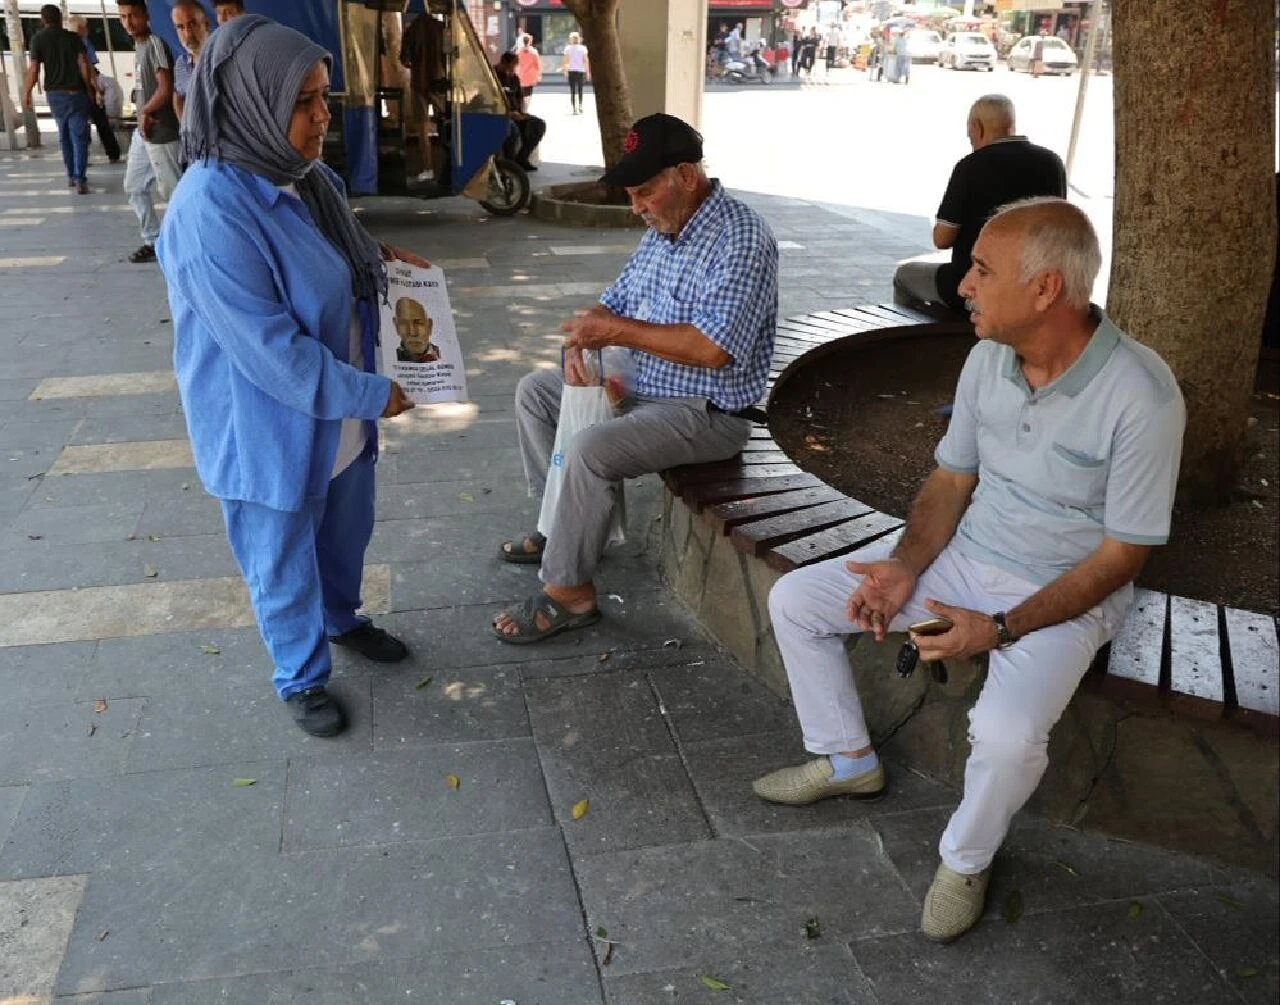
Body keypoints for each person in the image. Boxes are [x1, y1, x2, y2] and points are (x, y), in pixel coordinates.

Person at [754, 197, 1186, 944]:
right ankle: (848, 758)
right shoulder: (988, 357)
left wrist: (1002, 627)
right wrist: (901, 567)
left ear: (1046, 287)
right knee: (797, 599)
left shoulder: (1142, 395)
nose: (964, 285)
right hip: (965, 560)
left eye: (983, 270)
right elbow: (951, 480)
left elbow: (1123, 556)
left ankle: (965, 858)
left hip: (1070, 591)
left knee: (1009, 731)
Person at [156, 15, 427, 737]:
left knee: (345, 530)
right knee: (280, 555)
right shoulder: (209, 212)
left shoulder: (306, 179)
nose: (320, 119)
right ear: (250, 101)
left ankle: (342, 618)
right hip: (268, 422)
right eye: (303, 102)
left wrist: (387, 259)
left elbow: (339, 255)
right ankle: (300, 676)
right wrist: (375, 393)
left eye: (324, 98)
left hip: (336, 412)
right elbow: (272, 352)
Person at [491, 113, 777, 643]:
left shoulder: (741, 239)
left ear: (686, 177)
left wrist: (615, 330)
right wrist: (581, 340)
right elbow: (614, 300)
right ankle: (559, 525)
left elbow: (712, 350)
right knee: (535, 393)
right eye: (631, 194)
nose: (637, 207)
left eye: (645, 192)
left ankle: (569, 592)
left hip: (705, 413)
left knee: (592, 451)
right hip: (641, 387)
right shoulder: (666, 230)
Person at [893, 95, 1066, 312]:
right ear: (1011, 124)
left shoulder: (971, 166)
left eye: (969, 131)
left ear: (977, 128)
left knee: (904, 276)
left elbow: (942, 239)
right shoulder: (1052, 162)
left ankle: (926, 339)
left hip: (976, 283)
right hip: (1032, 285)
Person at [117, 0, 181, 264]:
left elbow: (166, 89)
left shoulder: (155, 44)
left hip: (162, 133)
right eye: (123, 17)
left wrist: (145, 112)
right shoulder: (138, 46)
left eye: (133, 15)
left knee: (173, 193)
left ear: (145, 15)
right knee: (133, 186)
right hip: (143, 135)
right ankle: (153, 240)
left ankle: (183, 243)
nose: (128, 22)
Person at [21, 5, 96, 194]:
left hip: (55, 95)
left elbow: (34, 69)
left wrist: (27, 92)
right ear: (60, 18)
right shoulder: (73, 39)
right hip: (76, 93)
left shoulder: (38, 39)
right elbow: (83, 65)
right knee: (79, 137)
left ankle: (71, 175)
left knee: (64, 136)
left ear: (43, 20)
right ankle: (80, 179)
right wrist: (89, 88)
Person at [66, 14, 120, 163]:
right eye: (85, 26)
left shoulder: (65, 43)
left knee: (80, 124)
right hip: (87, 84)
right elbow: (88, 67)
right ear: (80, 28)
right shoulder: (82, 43)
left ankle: (82, 158)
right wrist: (95, 90)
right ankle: (113, 153)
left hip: (73, 87)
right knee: (100, 119)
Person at [495, 52, 545, 171]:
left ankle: (522, 158)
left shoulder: (514, 78)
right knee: (513, 130)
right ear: (504, 64)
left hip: (517, 114)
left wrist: (521, 112)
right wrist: (509, 114)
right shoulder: (493, 77)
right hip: (502, 115)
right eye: (511, 66)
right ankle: (509, 163)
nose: (513, 69)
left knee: (538, 125)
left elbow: (519, 97)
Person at [170, 0, 210, 120]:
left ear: (206, 24)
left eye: (192, 24)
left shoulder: (222, 57)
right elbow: (178, 95)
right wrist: (185, 128)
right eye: (180, 27)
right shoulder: (181, 64)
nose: (188, 34)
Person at [394, 298, 440, 362]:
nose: (412, 333)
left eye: (418, 323)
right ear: (397, 327)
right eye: (404, 324)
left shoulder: (441, 354)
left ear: (429, 326)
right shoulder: (391, 357)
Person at [562, 32, 589, 114]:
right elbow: (585, 61)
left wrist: (565, 70)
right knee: (580, 89)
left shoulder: (567, 48)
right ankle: (580, 105)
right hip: (581, 70)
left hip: (571, 70)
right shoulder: (583, 48)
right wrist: (587, 72)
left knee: (572, 90)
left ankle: (574, 108)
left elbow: (566, 61)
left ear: (571, 39)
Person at [514, 33, 541, 111]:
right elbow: (537, 64)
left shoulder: (518, 52)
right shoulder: (534, 52)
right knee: (529, 92)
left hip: (520, 75)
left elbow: (515, 63)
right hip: (530, 76)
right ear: (529, 42)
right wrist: (538, 75)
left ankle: (522, 107)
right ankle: (526, 108)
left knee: (521, 92)